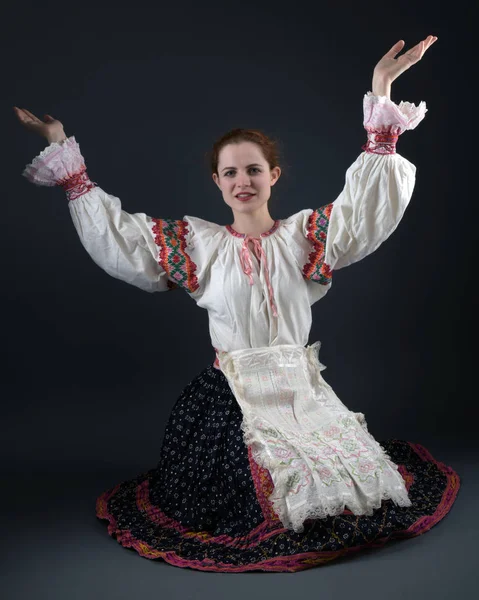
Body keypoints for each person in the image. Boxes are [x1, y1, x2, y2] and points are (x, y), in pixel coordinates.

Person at [14, 35, 460, 573]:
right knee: (261, 496)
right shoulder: (199, 245)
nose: (242, 181)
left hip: (301, 383)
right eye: (231, 172)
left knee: (355, 489)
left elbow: (366, 207)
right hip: (238, 391)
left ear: (273, 176)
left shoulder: (307, 237)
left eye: (253, 170)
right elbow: (124, 239)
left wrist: (381, 89)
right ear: (217, 183)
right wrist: (64, 152)